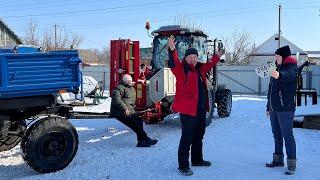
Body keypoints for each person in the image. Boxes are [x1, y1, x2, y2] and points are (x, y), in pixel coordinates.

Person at [167, 35, 225, 176]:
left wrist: (217, 55)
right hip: (188, 112)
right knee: (187, 138)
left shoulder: (200, 70)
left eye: (195, 57)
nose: (193, 59)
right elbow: (174, 62)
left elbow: (210, 64)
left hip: (200, 111)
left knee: (199, 135)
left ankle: (197, 159)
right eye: (190, 57)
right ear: (186, 58)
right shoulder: (181, 70)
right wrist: (172, 49)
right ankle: (183, 165)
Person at [266, 45, 298, 175]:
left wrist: (278, 75)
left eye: (278, 56)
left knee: (287, 135)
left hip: (286, 108)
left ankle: (291, 164)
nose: (276, 58)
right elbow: (271, 89)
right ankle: (278, 160)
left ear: (284, 57)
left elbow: (288, 76)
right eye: (275, 56)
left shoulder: (292, 68)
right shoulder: (275, 68)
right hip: (274, 108)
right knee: (277, 135)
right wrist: (268, 107)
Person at [110, 74, 158, 147]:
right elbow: (116, 99)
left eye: (130, 81)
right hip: (119, 111)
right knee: (134, 124)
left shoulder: (131, 88)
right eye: (128, 81)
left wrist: (134, 109)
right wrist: (125, 108)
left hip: (130, 110)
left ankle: (141, 141)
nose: (130, 82)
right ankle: (146, 138)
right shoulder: (119, 88)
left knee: (139, 121)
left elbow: (131, 102)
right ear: (124, 81)